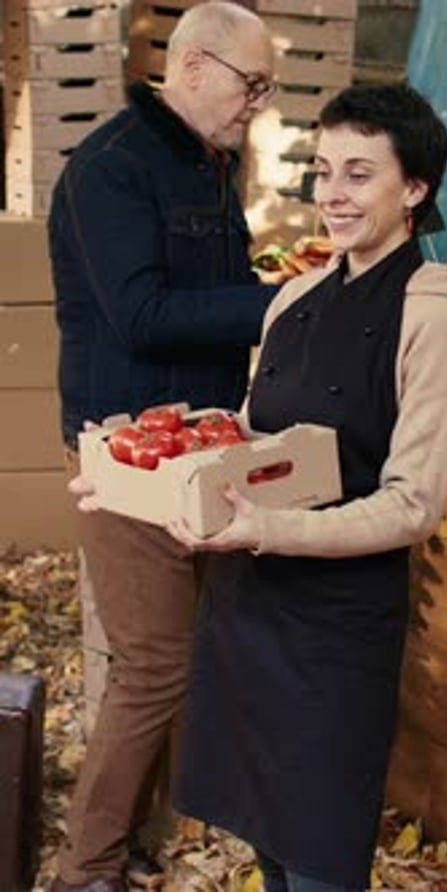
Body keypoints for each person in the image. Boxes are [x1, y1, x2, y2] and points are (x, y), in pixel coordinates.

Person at [162, 83, 447, 892]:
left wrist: (269, 530)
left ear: (414, 189)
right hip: (245, 611)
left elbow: (413, 503)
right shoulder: (295, 300)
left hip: (335, 633)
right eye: (325, 171)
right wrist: (156, 480)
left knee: (320, 864)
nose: (332, 196)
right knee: (268, 849)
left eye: (360, 175)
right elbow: (246, 438)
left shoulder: (436, 315)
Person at [47, 3, 278, 890]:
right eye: (248, 83)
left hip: (198, 448)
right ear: (191, 68)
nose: (258, 102)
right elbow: (141, 317)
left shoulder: (210, 164)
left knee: (179, 660)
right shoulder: (112, 170)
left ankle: (144, 837)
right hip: (126, 455)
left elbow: (215, 298)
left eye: (266, 87)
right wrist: (280, 304)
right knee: (154, 665)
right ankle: (86, 870)